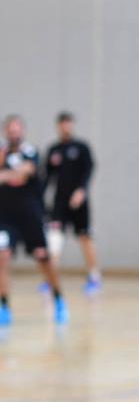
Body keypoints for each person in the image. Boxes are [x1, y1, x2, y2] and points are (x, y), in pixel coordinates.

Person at [0, 115, 68, 324]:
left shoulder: (31, 152)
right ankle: (4, 306)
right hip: (5, 216)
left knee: (43, 257)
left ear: (23, 131)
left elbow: (24, 173)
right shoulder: (2, 152)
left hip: (30, 215)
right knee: (3, 255)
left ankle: (58, 298)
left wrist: (7, 174)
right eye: (10, 129)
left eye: (17, 129)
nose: (14, 133)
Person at [44, 111, 102, 294]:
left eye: (68, 123)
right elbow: (47, 178)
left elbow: (89, 170)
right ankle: (51, 278)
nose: (65, 127)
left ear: (72, 125)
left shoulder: (81, 147)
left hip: (79, 202)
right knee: (55, 238)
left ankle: (94, 276)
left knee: (85, 237)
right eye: (62, 124)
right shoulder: (54, 150)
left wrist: (82, 191)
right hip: (60, 203)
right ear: (58, 126)